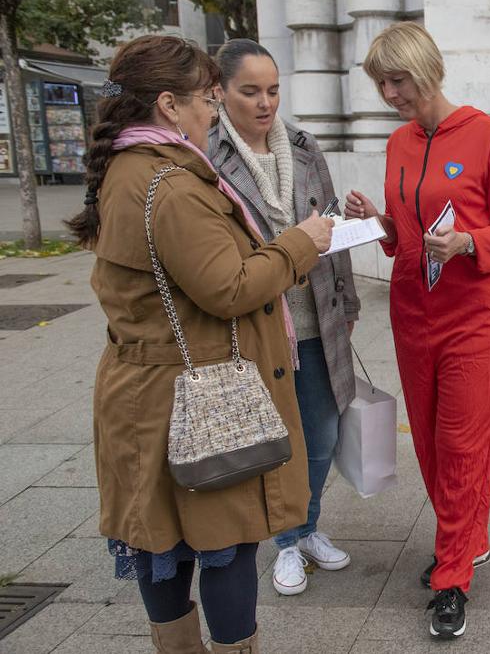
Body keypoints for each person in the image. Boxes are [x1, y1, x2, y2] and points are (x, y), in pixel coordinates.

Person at [66, 35, 332, 652]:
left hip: (147, 393)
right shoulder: (171, 185)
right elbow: (231, 287)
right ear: (167, 105)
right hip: (193, 398)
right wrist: (301, 243)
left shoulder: (129, 169)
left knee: (161, 542)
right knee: (224, 543)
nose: (211, 113)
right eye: (205, 100)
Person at [343, 22, 490, 639]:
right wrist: (378, 220)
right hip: (412, 310)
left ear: (426, 71)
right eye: (381, 83)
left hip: (478, 313)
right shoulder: (399, 144)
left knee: (460, 442)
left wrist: (470, 241)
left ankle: (452, 576)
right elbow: (405, 232)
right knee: (427, 439)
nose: (390, 93)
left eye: (397, 79)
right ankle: (469, 536)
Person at [208, 39, 360, 597]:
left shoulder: (301, 146)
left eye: (273, 89)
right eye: (250, 91)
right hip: (256, 328)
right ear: (220, 92)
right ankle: (286, 544)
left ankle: (308, 524)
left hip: (316, 317)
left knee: (320, 435)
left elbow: (329, 228)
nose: (265, 102)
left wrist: (346, 302)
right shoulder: (206, 156)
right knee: (273, 439)